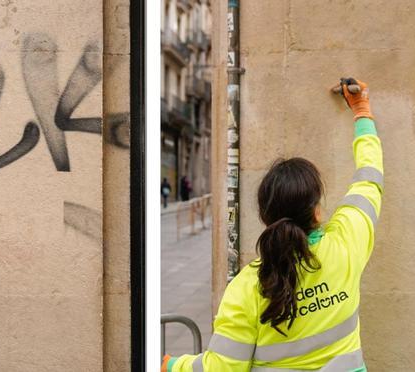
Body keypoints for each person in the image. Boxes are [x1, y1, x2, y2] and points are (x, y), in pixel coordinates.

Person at [162, 78, 382, 371]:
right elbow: (369, 178)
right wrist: (362, 110)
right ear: (317, 212)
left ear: (266, 217)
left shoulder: (248, 286)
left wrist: (170, 364)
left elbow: (222, 367)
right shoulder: (347, 243)